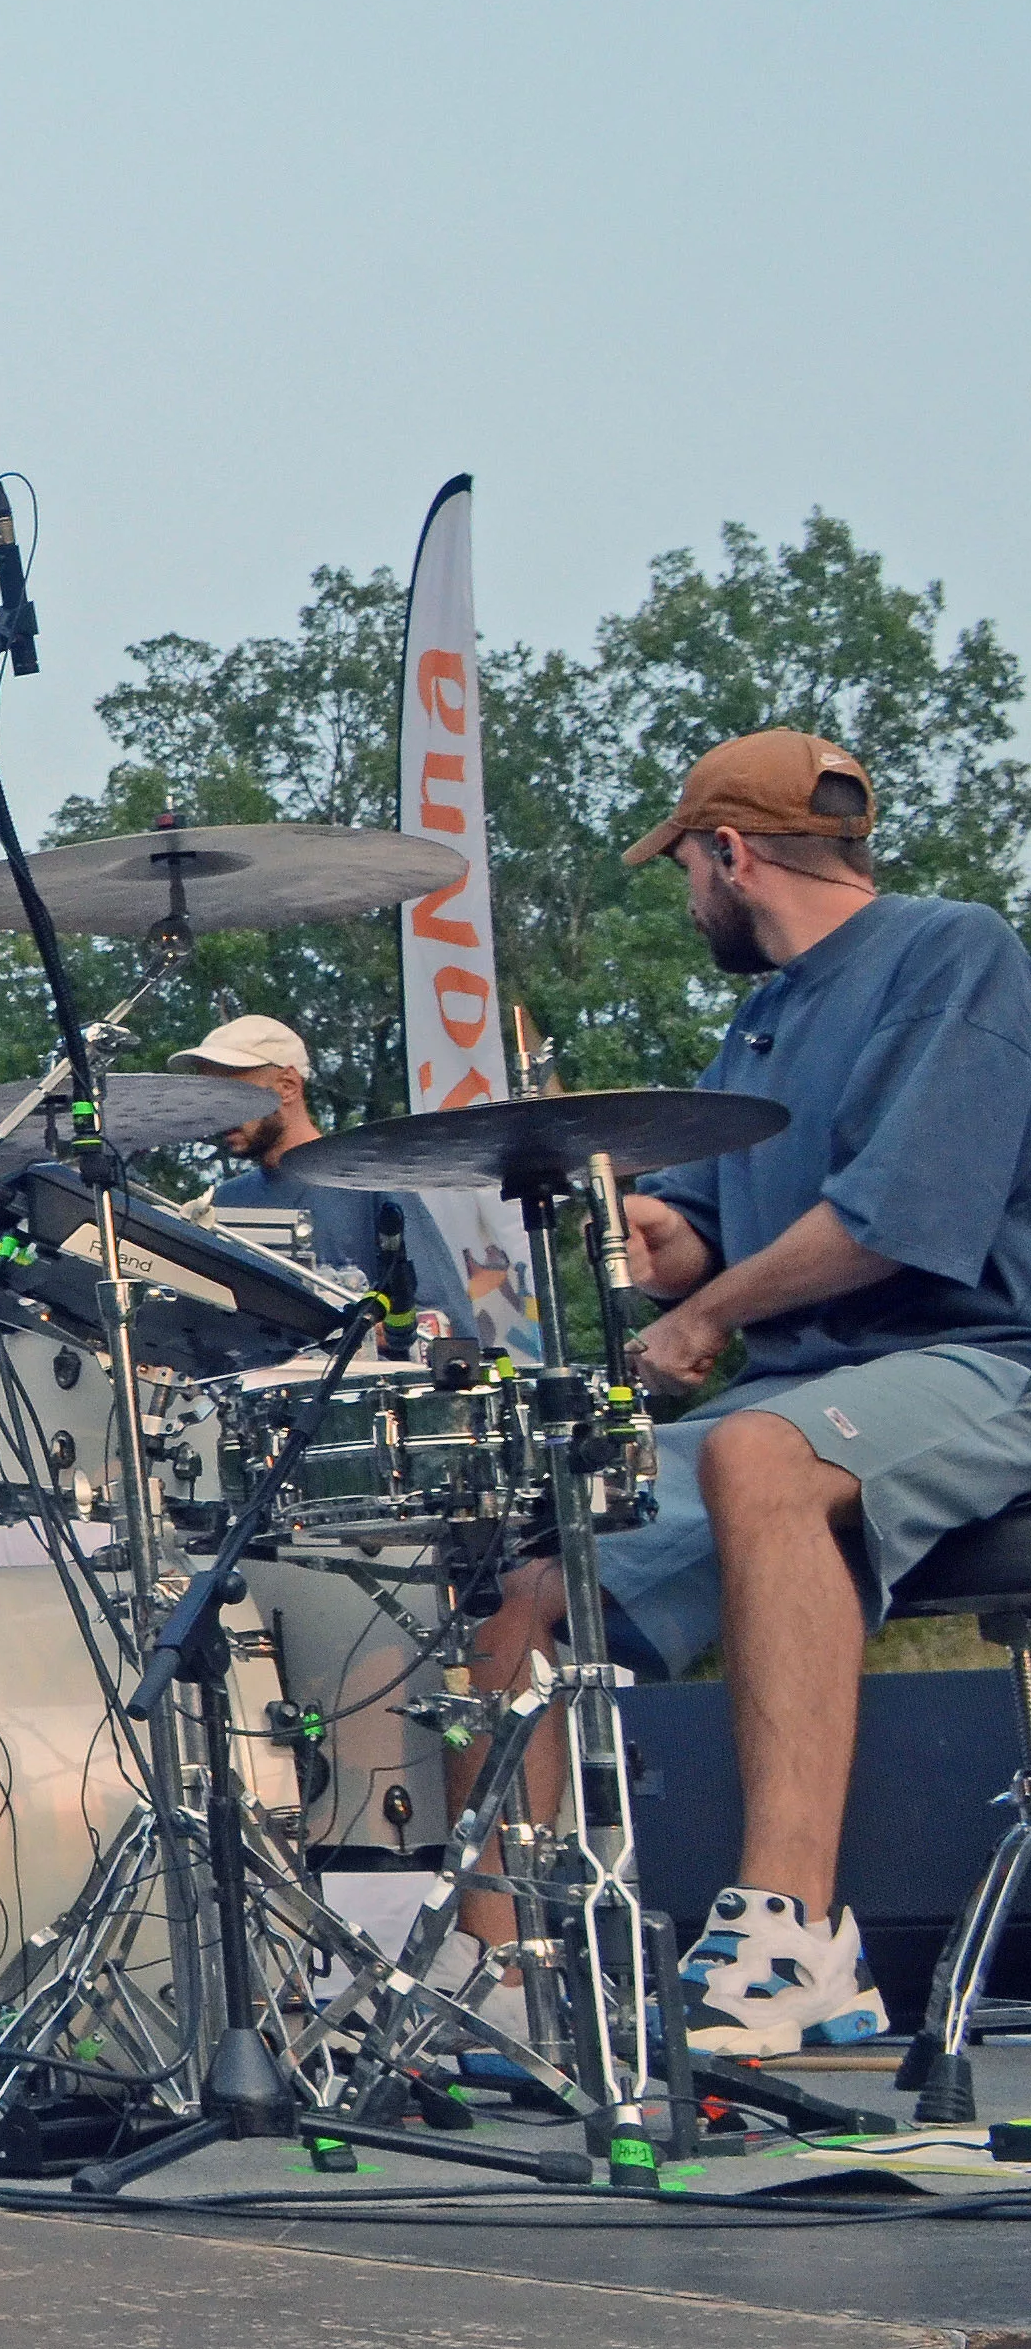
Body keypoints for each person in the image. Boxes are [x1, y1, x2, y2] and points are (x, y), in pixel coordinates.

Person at [463, 731, 1031, 2055]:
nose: (689, 899)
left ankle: (795, 1938)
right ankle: (503, 1987)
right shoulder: (763, 1016)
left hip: (985, 1364)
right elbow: (710, 1234)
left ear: (731, 854)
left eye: (687, 871)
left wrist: (712, 1313)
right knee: (518, 1565)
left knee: (759, 1457)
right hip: (800, 1391)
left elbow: (898, 1222)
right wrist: (665, 1243)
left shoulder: (953, 950)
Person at [169, 1014, 452, 1322]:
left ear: (288, 1086)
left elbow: (440, 1325)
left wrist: (376, 1330)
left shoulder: (370, 1183)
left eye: (231, 1094)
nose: (217, 1111)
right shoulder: (220, 1205)